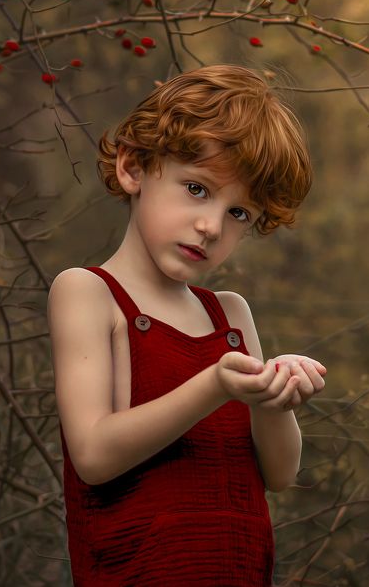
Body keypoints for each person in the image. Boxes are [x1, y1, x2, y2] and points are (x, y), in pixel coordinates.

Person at [48, 64, 327, 586]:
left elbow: (281, 474)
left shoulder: (230, 314)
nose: (212, 226)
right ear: (134, 168)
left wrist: (274, 400)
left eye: (239, 214)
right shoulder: (88, 293)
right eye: (197, 189)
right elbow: (92, 454)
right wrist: (215, 384)